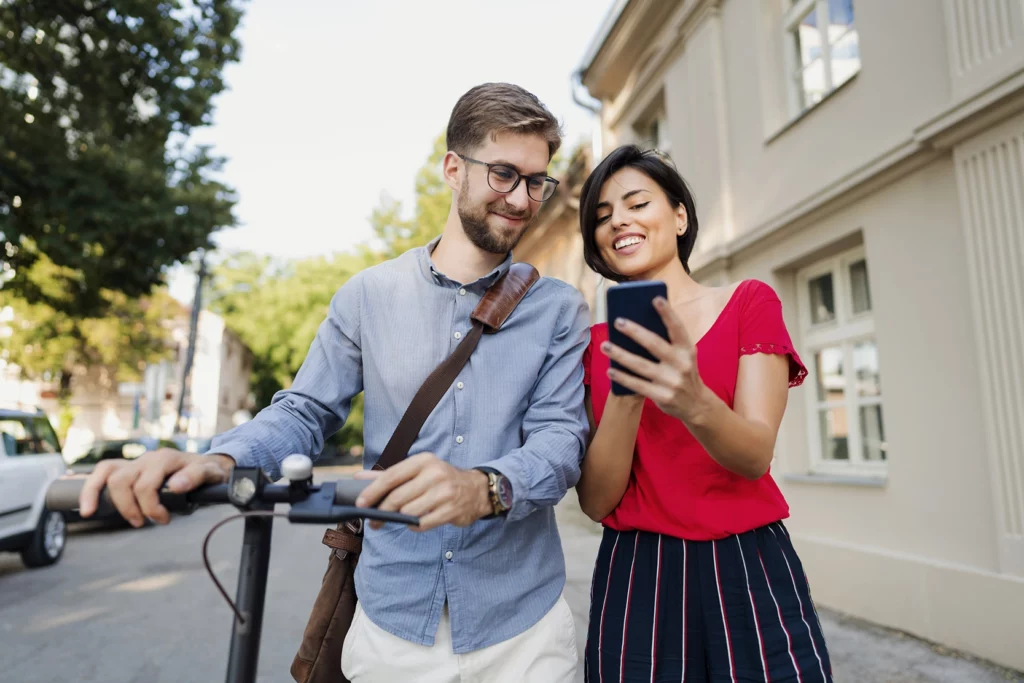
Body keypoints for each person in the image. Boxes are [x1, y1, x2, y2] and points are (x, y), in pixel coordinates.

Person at [79, 83, 589, 683]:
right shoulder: (367, 296)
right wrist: (223, 461)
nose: (522, 198)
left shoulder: (560, 308)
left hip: (523, 630)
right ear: (453, 169)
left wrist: (488, 488)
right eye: (504, 174)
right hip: (392, 625)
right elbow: (303, 413)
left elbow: (561, 439)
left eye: (537, 181)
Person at [575, 145, 832, 683]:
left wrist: (693, 400)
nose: (617, 220)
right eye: (601, 216)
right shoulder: (593, 346)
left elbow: (755, 455)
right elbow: (598, 501)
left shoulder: (748, 303)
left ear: (679, 215)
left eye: (636, 203)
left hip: (747, 564)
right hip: (637, 569)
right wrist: (627, 393)